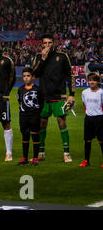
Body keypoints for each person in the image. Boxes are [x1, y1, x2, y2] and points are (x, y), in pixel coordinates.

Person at [32, 34, 75, 162]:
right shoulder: (38, 57)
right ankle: (41, 152)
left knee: (62, 123)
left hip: (59, 96)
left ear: (54, 43)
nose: (47, 45)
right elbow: (35, 73)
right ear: (42, 44)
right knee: (42, 124)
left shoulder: (62, 56)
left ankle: (66, 153)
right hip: (43, 96)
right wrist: (43, 58)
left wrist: (71, 94)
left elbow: (70, 76)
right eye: (45, 43)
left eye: (49, 43)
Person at [16, 68, 43, 166]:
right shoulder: (20, 89)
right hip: (23, 116)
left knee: (35, 135)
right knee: (25, 135)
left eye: (28, 76)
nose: (26, 78)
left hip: (34, 116)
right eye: (24, 76)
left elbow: (41, 103)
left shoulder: (38, 90)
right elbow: (20, 101)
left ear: (33, 77)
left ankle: (35, 158)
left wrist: (36, 112)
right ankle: (25, 158)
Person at [79, 72, 103, 167]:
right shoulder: (84, 92)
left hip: (100, 118)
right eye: (90, 80)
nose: (91, 82)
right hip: (88, 118)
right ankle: (86, 161)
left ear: (97, 81)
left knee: (101, 140)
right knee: (87, 140)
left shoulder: (101, 92)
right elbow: (85, 105)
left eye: (94, 80)